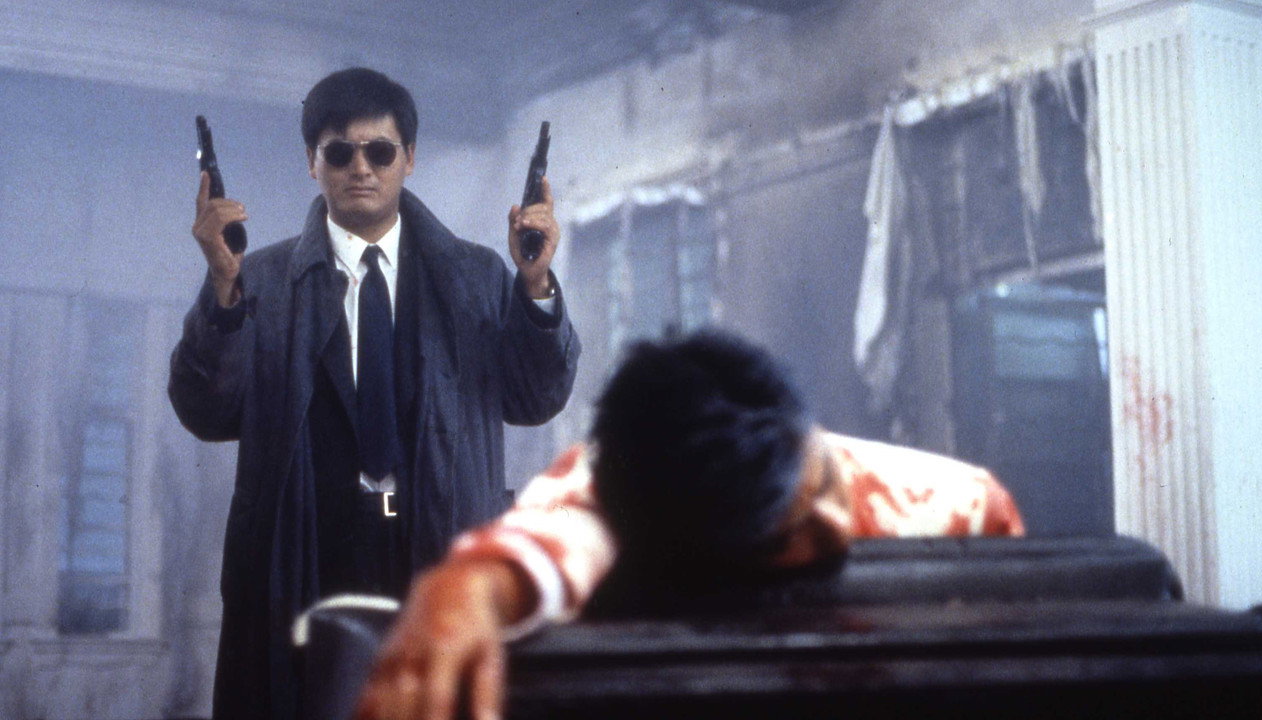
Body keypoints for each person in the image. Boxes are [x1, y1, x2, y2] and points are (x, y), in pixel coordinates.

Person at [168, 67, 579, 720]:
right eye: (339, 153)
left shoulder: (475, 278)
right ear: (312, 162)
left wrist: (534, 286)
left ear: (408, 158)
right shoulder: (260, 281)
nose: (361, 169)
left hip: (435, 561)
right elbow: (207, 410)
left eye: (380, 151)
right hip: (306, 567)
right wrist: (222, 291)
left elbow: (534, 399)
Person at [354, 330, 1023, 720]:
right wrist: (460, 594)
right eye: (785, 531)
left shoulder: (967, 507)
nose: (832, 522)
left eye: (824, 477)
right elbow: (539, 545)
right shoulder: (635, 484)